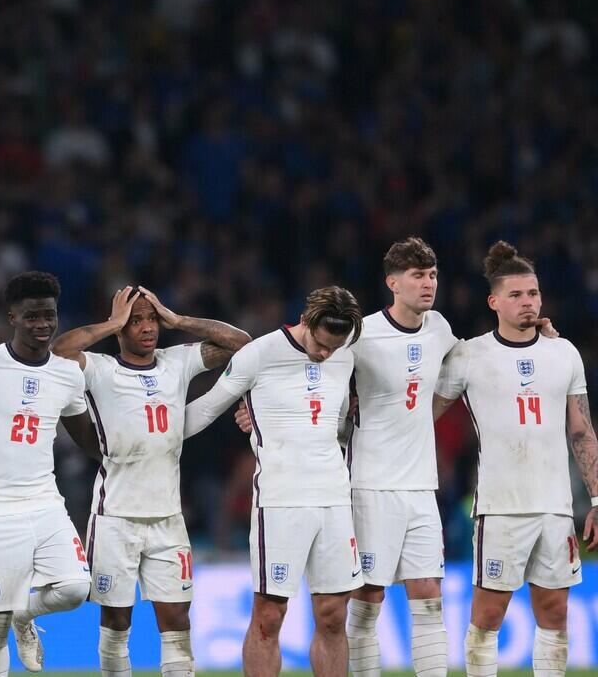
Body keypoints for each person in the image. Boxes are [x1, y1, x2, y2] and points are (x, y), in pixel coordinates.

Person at [51, 285, 250, 677]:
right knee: (116, 621)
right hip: (115, 517)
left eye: (152, 318)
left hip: (168, 519)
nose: (147, 327)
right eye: (136, 319)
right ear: (122, 326)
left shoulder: (178, 360)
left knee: (176, 619)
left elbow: (241, 344)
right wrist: (111, 323)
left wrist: (179, 320)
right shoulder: (100, 369)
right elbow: (58, 352)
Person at [435, 241, 598, 677]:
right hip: (500, 506)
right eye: (516, 295)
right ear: (494, 301)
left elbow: (581, 430)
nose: (527, 302)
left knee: (555, 612)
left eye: (533, 294)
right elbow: (423, 413)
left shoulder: (563, 353)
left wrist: (597, 499)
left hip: (554, 506)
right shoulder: (468, 355)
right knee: (488, 616)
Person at [183, 286, 363, 677]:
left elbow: (333, 425)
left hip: (334, 499)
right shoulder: (260, 354)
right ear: (305, 320)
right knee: (269, 616)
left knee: (333, 616)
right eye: (320, 344)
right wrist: (145, 436)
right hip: (280, 501)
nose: (325, 354)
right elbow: (207, 409)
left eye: (334, 347)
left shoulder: (344, 354)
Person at [0, 271, 98, 677]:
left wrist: (129, 449)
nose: (43, 325)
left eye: (49, 316)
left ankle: (25, 615)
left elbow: (89, 439)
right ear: (12, 318)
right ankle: (10, 621)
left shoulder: (68, 374)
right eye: (33, 316)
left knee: (75, 588)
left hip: (44, 501)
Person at [331, 238, 457, 677]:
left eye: (433, 275)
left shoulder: (440, 328)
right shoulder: (361, 334)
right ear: (393, 283)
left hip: (422, 486)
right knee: (369, 598)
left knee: (429, 595)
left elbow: (466, 365)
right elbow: (317, 371)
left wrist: (541, 342)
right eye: (418, 276)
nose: (428, 284)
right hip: (371, 485)